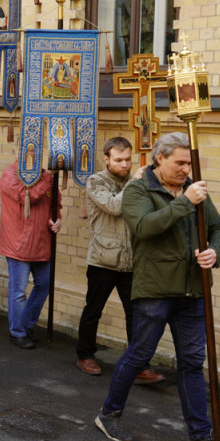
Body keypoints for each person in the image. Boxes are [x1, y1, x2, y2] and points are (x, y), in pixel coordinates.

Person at [95, 132, 220, 441]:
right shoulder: (139, 190)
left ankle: (200, 438)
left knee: (192, 362)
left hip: (193, 289)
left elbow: (219, 227)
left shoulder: (193, 189)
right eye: (180, 163)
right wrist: (186, 201)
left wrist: (215, 252)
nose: (186, 169)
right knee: (139, 354)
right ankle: (109, 414)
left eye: (189, 163)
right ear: (160, 158)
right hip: (155, 290)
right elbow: (145, 227)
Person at [76, 137, 165, 384]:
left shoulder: (134, 181)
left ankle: (138, 365)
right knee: (93, 311)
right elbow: (114, 206)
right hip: (103, 259)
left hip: (132, 260)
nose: (125, 164)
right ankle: (85, 355)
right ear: (106, 159)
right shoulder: (96, 181)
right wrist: (136, 182)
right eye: (118, 160)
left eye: (127, 159)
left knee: (136, 316)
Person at [0, 159, 61, 349]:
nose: (32, 155)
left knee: (44, 284)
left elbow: (55, 203)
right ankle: (17, 332)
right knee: (18, 291)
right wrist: (47, 177)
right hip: (18, 244)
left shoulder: (44, 175)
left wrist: (56, 219)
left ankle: (26, 324)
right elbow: (29, 196)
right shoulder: (10, 175)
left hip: (42, 242)